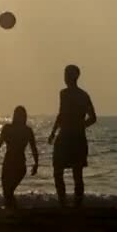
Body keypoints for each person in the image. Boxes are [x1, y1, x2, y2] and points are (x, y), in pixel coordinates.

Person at [47, 64, 97, 207]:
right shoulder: (65, 93)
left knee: (75, 173)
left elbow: (93, 117)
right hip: (66, 137)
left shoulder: (81, 95)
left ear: (74, 76)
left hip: (74, 138)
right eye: (65, 74)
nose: (65, 77)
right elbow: (61, 114)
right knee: (59, 170)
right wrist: (53, 132)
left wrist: (79, 126)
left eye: (67, 74)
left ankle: (76, 204)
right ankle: (64, 202)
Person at [0, 106, 40, 209]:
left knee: (8, 191)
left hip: (19, 165)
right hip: (8, 163)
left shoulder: (27, 131)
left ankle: (13, 209)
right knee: (7, 191)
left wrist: (36, 164)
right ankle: (12, 210)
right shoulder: (8, 128)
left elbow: (34, 149)